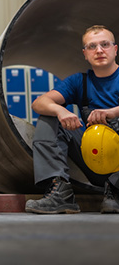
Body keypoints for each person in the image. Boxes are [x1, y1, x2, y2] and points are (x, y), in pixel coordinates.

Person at [26, 24, 119, 214]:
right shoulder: (80, 81)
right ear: (85, 53)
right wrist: (61, 111)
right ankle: (60, 192)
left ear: (115, 49)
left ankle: (115, 191)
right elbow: (39, 103)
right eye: (92, 46)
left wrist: (114, 112)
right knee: (49, 116)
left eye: (105, 44)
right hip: (95, 161)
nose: (99, 50)